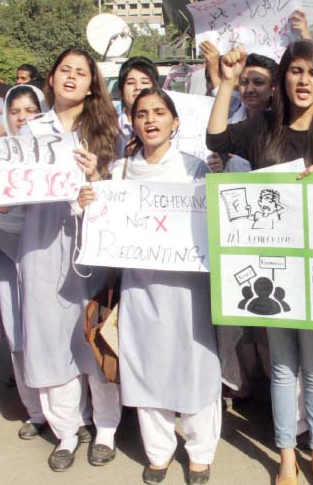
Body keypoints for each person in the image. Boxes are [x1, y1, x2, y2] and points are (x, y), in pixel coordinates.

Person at [207, 40, 313, 485]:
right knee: (281, 367)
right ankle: (286, 458)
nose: (304, 81)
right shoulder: (261, 127)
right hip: (271, 269)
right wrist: (227, 84)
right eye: (296, 71)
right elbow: (216, 137)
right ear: (282, 79)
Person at [79, 87, 222, 485]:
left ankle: (200, 451)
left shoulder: (196, 168)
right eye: (142, 113)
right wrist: (93, 198)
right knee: (147, 366)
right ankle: (158, 452)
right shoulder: (122, 172)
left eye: (159, 112)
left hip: (189, 289)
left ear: (175, 122)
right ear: (133, 122)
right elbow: (105, 228)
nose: (150, 119)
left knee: (194, 366)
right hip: (140, 290)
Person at [18, 48, 122, 472]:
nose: (72, 77)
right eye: (66, 70)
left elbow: (123, 193)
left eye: (82, 72)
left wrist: (97, 177)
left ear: (92, 83)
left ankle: (107, 428)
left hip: (91, 247)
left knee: (94, 336)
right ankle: (66, 429)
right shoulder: (28, 130)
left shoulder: (107, 130)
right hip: (42, 244)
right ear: (52, 77)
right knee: (50, 337)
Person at [0, 84, 48, 441]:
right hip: (6, 254)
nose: (22, 117)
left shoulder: (56, 152)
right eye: (16, 110)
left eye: (30, 110)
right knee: (19, 332)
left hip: (47, 250)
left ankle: (70, 411)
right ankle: (35, 410)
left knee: (52, 328)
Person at [116, 56, 159, 150]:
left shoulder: (164, 125)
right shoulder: (110, 127)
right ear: (120, 91)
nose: (138, 87)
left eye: (144, 82)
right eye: (131, 83)